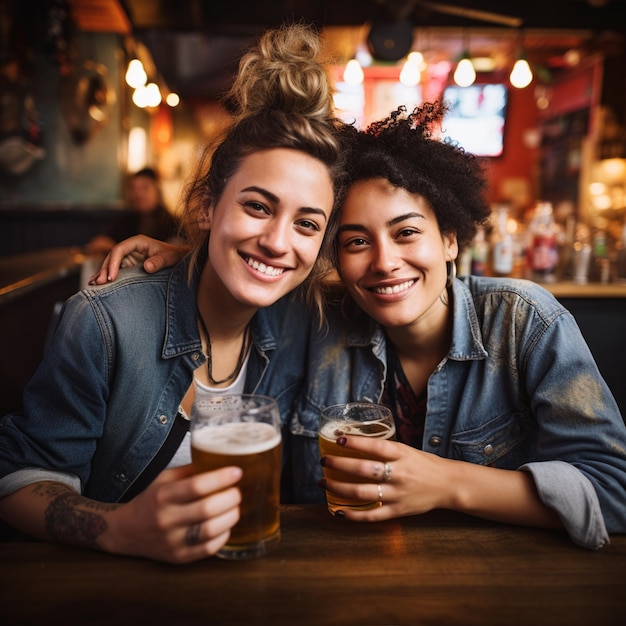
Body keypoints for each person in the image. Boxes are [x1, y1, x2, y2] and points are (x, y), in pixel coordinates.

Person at [93, 102, 626, 550]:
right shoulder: (320, 319)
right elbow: (263, 264)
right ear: (337, 260)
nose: (384, 262)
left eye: (407, 233)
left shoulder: (525, 322)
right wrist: (192, 252)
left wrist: (446, 484)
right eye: (355, 242)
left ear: (451, 240)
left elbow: (614, 491)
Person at [0, 23, 347, 563]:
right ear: (207, 206)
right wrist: (119, 526)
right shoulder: (104, 322)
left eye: (307, 224)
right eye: (257, 207)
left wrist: (202, 251)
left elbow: (384, 273)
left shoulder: (303, 317)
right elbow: (19, 478)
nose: (279, 242)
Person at [86, 167, 180, 256]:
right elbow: (106, 240)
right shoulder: (127, 220)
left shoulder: (173, 224)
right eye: (133, 188)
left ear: (157, 190)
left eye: (145, 187)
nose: (138, 194)